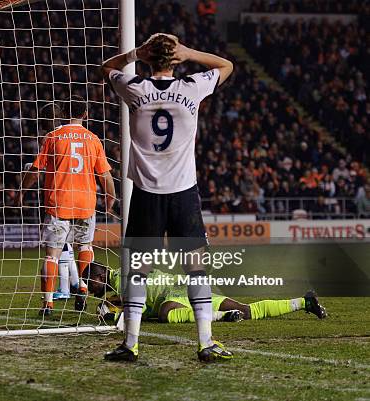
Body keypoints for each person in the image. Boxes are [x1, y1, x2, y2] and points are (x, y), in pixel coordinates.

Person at [101, 33, 234, 362]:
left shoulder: (135, 88)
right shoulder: (192, 86)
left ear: (148, 57)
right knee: (197, 270)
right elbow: (226, 65)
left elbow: (107, 67)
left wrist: (136, 53)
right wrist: (189, 52)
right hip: (183, 194)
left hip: (146, 195)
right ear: (176, 59)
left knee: (137, 271)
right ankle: (205, 342)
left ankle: (130, 343)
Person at [17, 96, 117, 316]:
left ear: (62, 111)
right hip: (86, 203)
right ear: (86, 114)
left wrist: (21, 191)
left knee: (52, 256)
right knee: (85, 247)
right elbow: (106, 174)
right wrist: (110, 196)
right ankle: (82, 287)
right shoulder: (93, 139)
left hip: (59, 203)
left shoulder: (53, 137)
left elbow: (36, 170)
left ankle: (48, 304)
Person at [86, 262, 327, 324]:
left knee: (166, 313)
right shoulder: (122, 276)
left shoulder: (118, 279)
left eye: (91, 284)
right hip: (186, 287)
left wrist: (111, 309)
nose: (91, 290)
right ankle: (303, 302)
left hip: (178, 289)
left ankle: (223, 317)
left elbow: (132, 301)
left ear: (99, 277)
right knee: (247, 310)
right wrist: (113, 311)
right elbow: (141, 307)